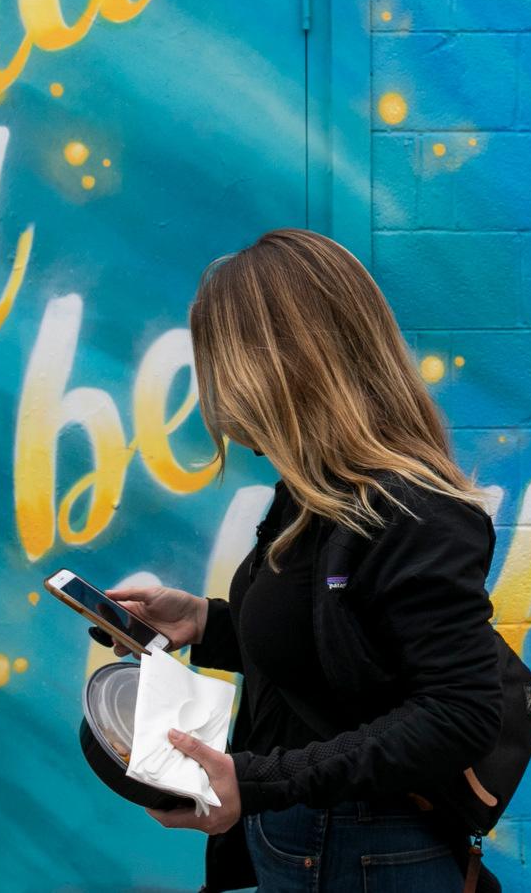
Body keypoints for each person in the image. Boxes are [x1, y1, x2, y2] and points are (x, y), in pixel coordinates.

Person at [108, 228, 505, 893]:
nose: (216, 393)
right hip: (309, 843)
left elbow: (458, 713)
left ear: (275, 365)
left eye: (220, 360)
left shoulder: (414, 511)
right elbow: (339, 648)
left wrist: (261, 779)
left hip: (365, 853)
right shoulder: (312, 492)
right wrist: (206, 623)